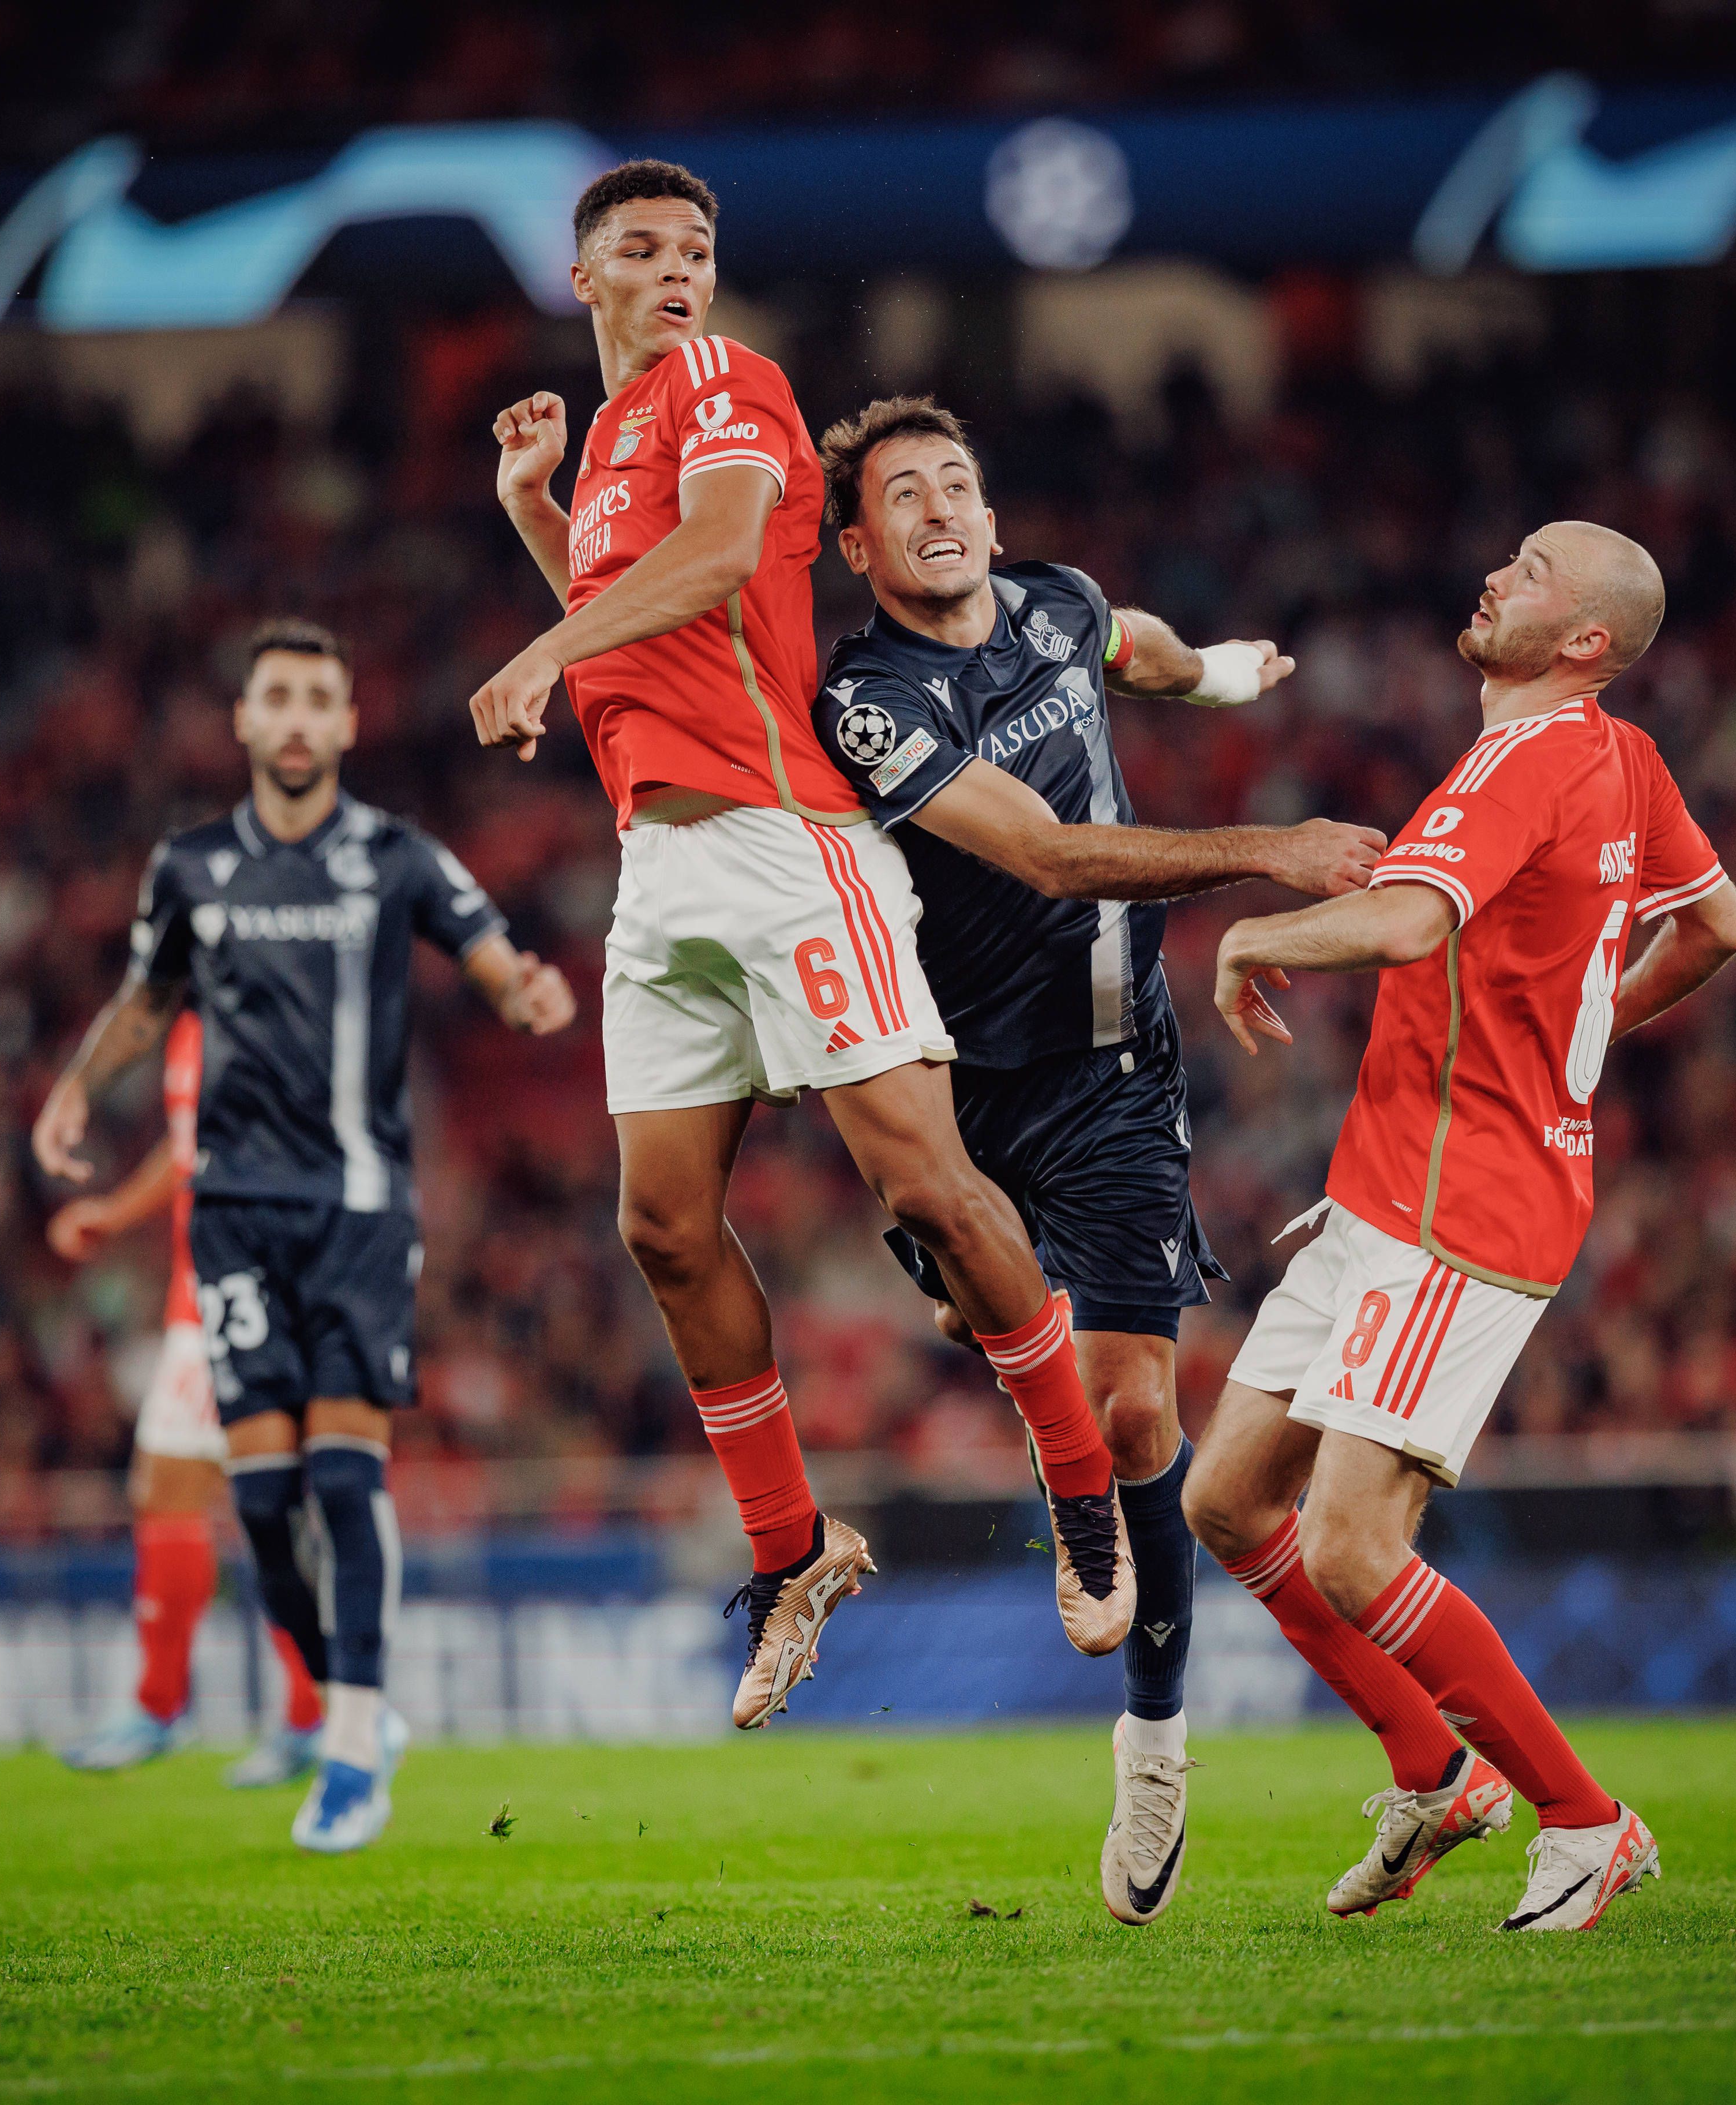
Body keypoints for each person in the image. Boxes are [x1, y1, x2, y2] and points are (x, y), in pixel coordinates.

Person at [476, 160, 1146, 1729]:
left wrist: (540, 642)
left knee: (920, 1182)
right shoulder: (619, 444)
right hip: (660, 869)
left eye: (695, 250)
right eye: (639, 251)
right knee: (661, 1229)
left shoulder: (724, 381)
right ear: (584, 280)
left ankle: (1079, 1477)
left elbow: (712, 566)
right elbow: (654, 616)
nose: (676, 273)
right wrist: (540, 522)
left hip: (788, 848)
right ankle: (795, 1551)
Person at [805, 395, 1385, 1923]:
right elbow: (1051, 855)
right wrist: (1267, 843)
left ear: (992, 516)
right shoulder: (866, 698)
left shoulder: (1056, 602)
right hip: (952, 1101)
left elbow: (1129, 640)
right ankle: (1008, 1348)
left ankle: (1154, 1745)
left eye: (959, 482)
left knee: (1138, 1417)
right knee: (985, 1319)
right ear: (858, 545)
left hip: (1117, 1073)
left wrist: (1220, 671)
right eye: (903, 497)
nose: (939, 509)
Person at [1180, 522, 1736, 1932]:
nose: (1497, 571)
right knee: (1226, 1500)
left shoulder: (1528, 757)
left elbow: (1403, 927)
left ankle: (1584, 1818)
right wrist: (1586, 1036)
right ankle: (1435, 1771)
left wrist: (1248, 937)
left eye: (1535, 569)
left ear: (1585, 644)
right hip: (1384, 1188)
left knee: (1352, 1550)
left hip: (1462, 1207)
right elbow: (1719, 923)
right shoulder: (1622, 757)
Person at [33, 618, 573, 1853]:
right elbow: (143, 1002)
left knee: (344, 1474)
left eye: (315, 699)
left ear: (345, 725)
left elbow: (486, 952)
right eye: (272, 695)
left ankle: (351, 1745)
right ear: (244, 721)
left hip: (359, 1212)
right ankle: (348, 1702)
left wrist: (525, 989)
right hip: (227, 1221)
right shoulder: (188, 868)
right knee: (265, 1505)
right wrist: (73, 1090)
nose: (292, 717)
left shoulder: (395, 858)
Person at [48, 1009, 328, 1785]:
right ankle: (293, 1709)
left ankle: (181, 1706)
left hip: (240, 1294)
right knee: (215, 1496)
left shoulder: (264, 1022)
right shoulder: (193, 1028)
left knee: (221, 1495)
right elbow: (185, 1152)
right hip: (198, 1297)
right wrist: (114, 1213)